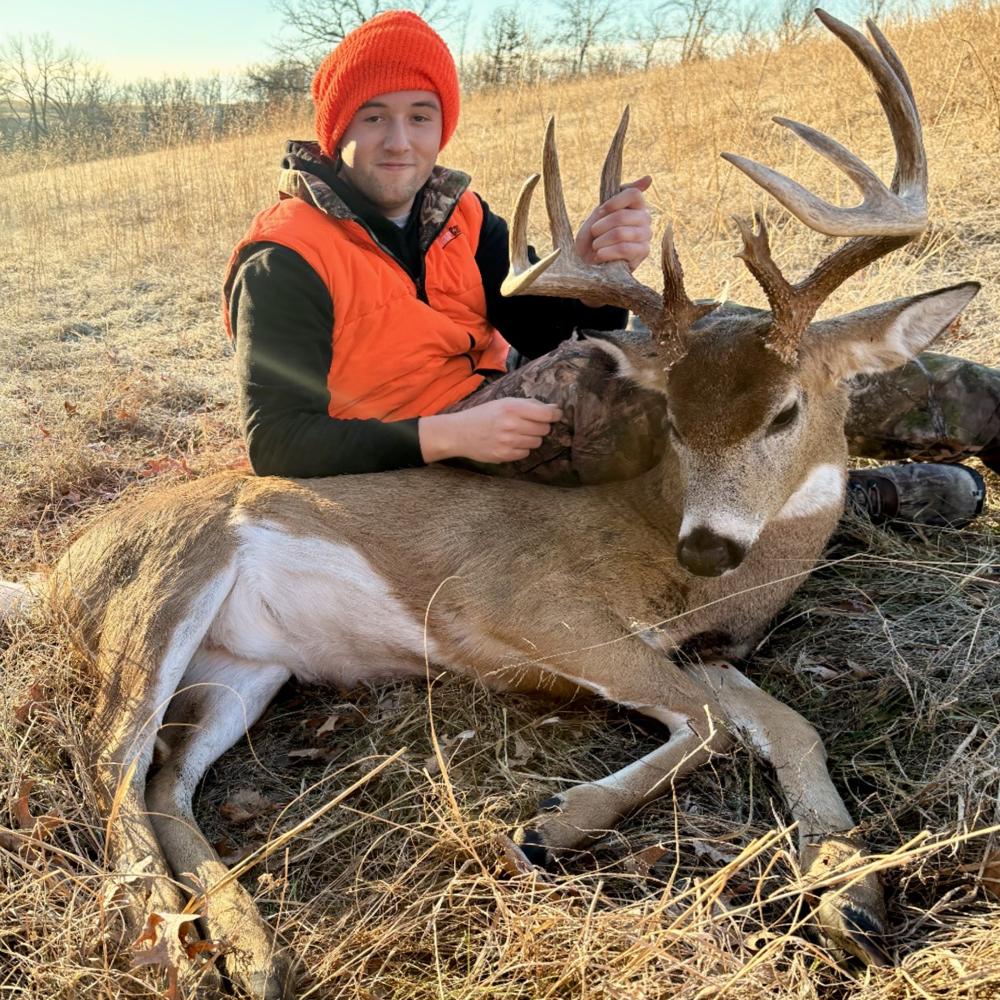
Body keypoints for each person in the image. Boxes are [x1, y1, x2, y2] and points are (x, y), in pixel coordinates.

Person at [224, 11, 998, 526]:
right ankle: (851, 501)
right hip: (419, 458)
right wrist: (445, 436)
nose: (400, 141)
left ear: (441, 126)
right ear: (337, 128)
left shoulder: (457, 215)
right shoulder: (285, 260)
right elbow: (277, 443)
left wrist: (599, 268)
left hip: (499, 404)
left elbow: (544, 333)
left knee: (735, 341)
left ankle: (981, 409)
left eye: (419, 116)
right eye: (374, 117)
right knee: (642, 394)